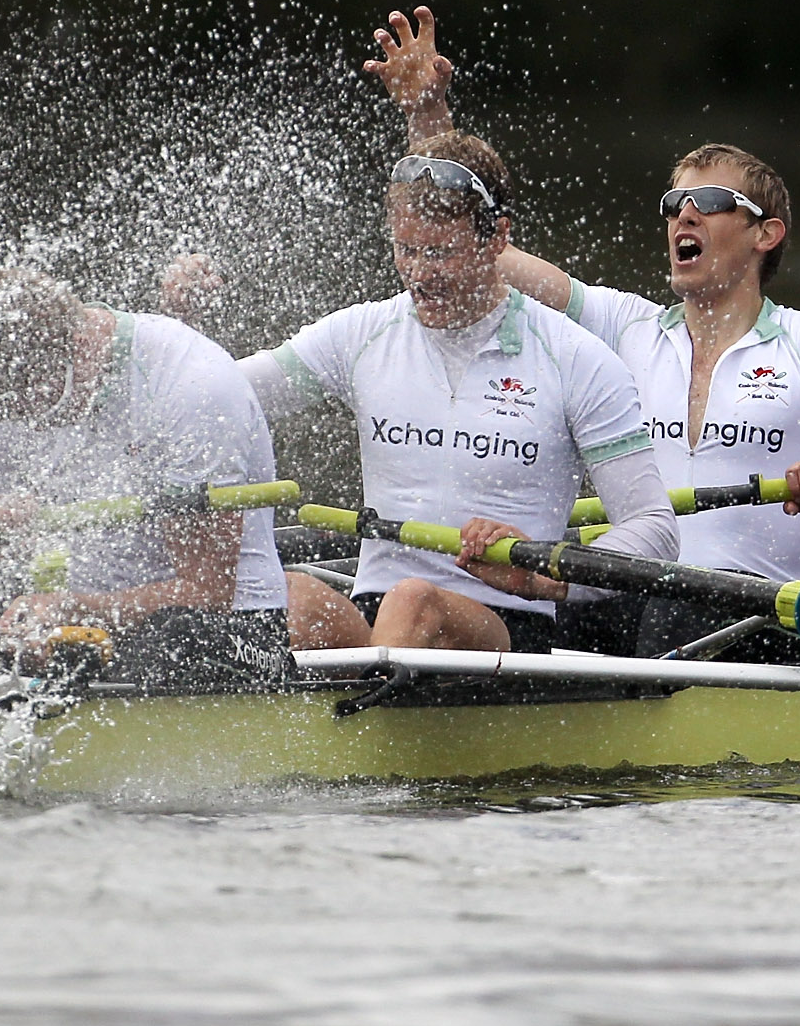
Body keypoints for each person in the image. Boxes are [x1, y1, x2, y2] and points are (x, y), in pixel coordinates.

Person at [371, 8, 800, 659]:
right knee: (516, 605)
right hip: (626, 591)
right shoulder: (625, 328)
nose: (684, 216)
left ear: (767, 232)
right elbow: (476, 250)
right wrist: (427, 119)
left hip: (755, 611)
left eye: (708, 203)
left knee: (664, 612)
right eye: (674, 204)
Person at [236, 134, 678, 653]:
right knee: (287, 595)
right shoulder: (360, 335)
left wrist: (545, 577)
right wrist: (163, 340)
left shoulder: (575, 358)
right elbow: (224, 395)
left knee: (413, 601)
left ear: (497, 240)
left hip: (508, 624)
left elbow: (655, 528)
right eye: (407, 250)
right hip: (384, 611)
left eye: (441, 253)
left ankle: (357, 714)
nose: (420, 275)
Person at [0, 267, 292, 682]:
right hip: (82, 619)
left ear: (78, 346)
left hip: (224, 627)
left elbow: (205, 592)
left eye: (35, 408)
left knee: (174, 640)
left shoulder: (193, 383)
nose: (30, 427)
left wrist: (70, 608)